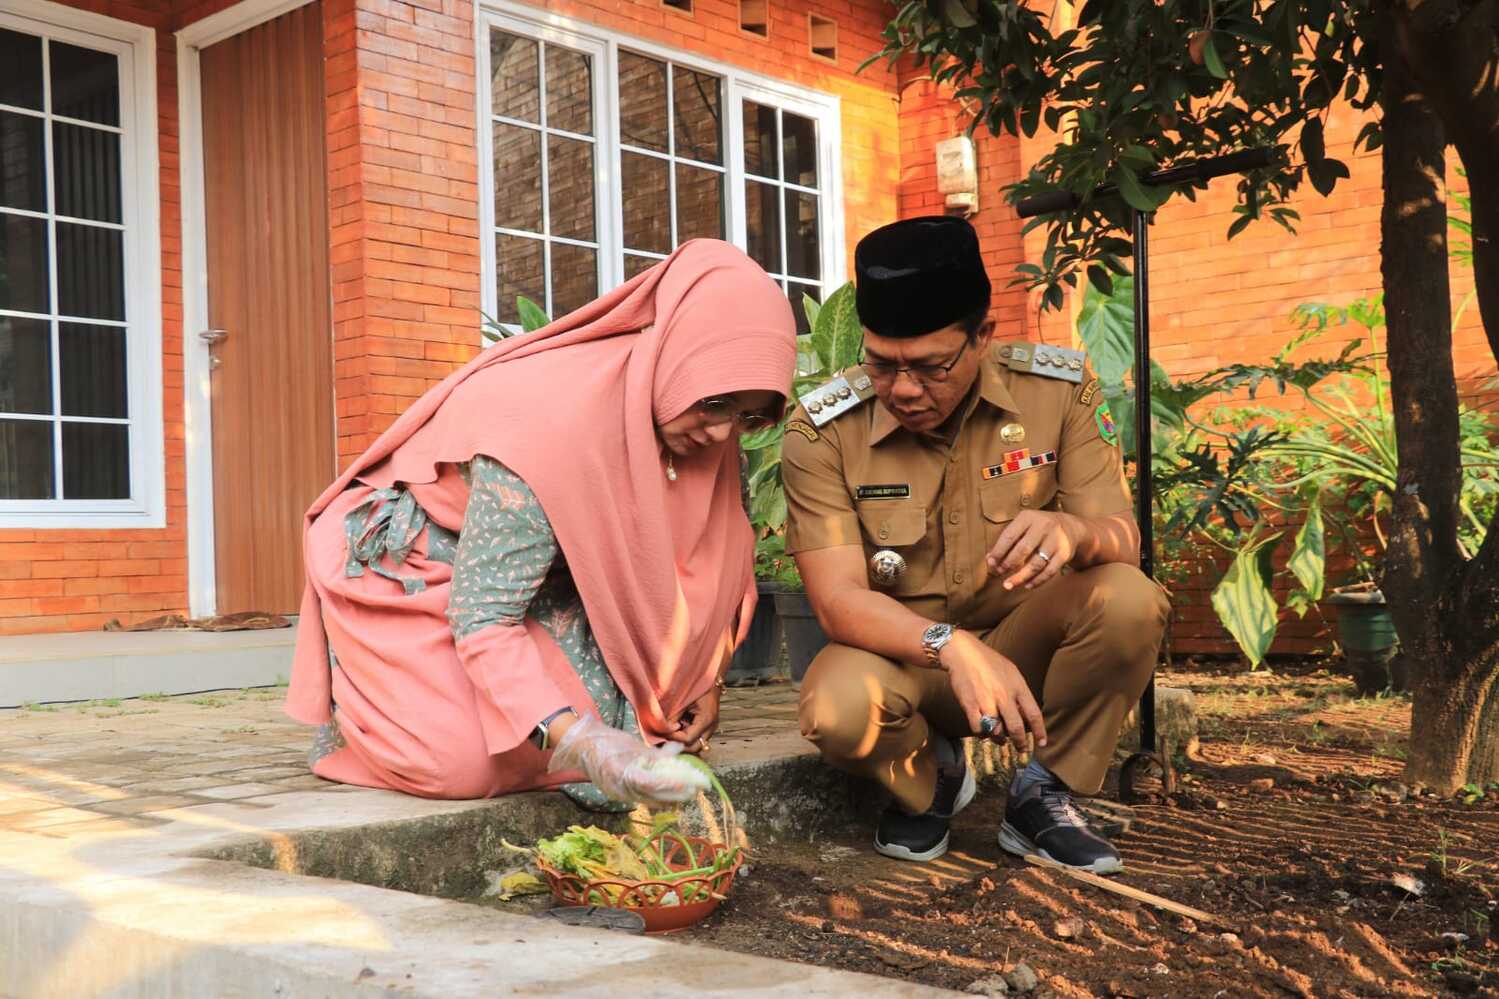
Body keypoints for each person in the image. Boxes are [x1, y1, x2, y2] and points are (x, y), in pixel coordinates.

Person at [285, 239, 796, 808]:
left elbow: (715, 575)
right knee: (458, 765)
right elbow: (483, 617)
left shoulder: (696, 425)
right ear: (675, 355)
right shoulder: (545, 434)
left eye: (748, 416)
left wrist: (706, 681)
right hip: (417, 564)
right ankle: (358, 717)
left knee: (638, 729)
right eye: (716, 403)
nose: (723, 435)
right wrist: (580, 742)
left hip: (541, 577)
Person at [781, 216, 1169, 872]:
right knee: (836, 709)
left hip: (1026, 649)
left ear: (982, 336)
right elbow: (838, 598)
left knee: (1128, 598)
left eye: (930, 366)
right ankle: (932, 781)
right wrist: (949, 646)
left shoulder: (1056, 390)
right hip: (904, 657)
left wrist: (1073, 532)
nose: (903, 389)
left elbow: (1120, 538)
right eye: (881, 363)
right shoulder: (820, 431)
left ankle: (1043, 792)